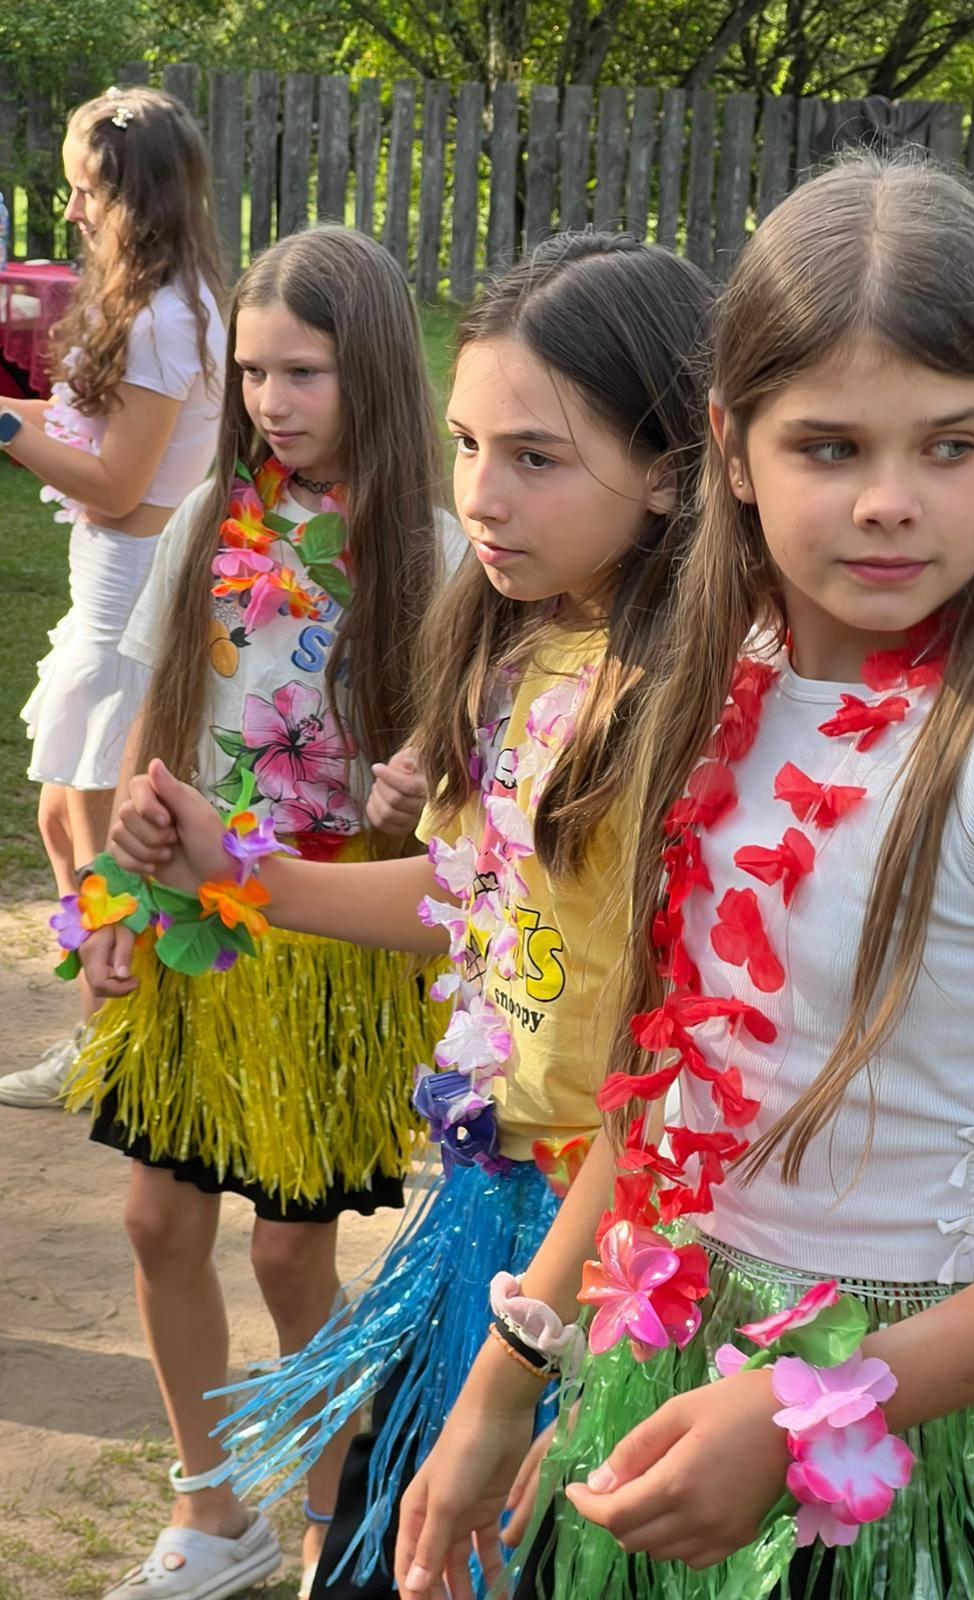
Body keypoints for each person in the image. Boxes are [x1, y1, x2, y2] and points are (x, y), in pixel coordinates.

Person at [387, 155, 974, 1600]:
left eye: (948, 445)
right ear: (731, 445)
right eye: (829, 447)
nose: (891, 501)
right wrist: (509, 1379)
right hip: (674, 1376)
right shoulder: (706, 695)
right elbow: (664, 1094)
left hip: (938, 1461)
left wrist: (817, 1408)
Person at [98, 230, 715, 1600]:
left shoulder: (692, 716)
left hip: (612, 1254)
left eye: (536, 456)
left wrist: (527, 1352)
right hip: (490, 1210)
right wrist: (230, 871)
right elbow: (466, 898)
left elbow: (677, 1066)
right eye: (467, 445)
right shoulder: (527, 641)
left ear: (675, 467)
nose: (482, 495)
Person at [68, 223, 453, 1600]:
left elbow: (476, 768)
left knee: (294, 1251)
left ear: (376, 375)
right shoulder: (205, 525)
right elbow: (159, 722)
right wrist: (116, 886)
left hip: (333, 939)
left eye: (304, 373)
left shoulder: (438, 552)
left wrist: (429, 773)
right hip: (196, 929)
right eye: (251, 373)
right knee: (156, 1222)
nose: (271, 402)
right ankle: (209, 1506)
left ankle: (334, 1509)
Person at [0, 86, 225, 1108]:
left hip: (132, 594)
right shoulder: (158, 300)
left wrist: (4, 431)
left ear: (141, 199)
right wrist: (18, 410)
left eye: (88, 191)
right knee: (64, 816)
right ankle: (112, 1033)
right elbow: (85, 426)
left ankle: (110, 1048)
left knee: (100, 833)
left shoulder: (166, 321)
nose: (74, 210)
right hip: (109, 586)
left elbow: (117, 483)